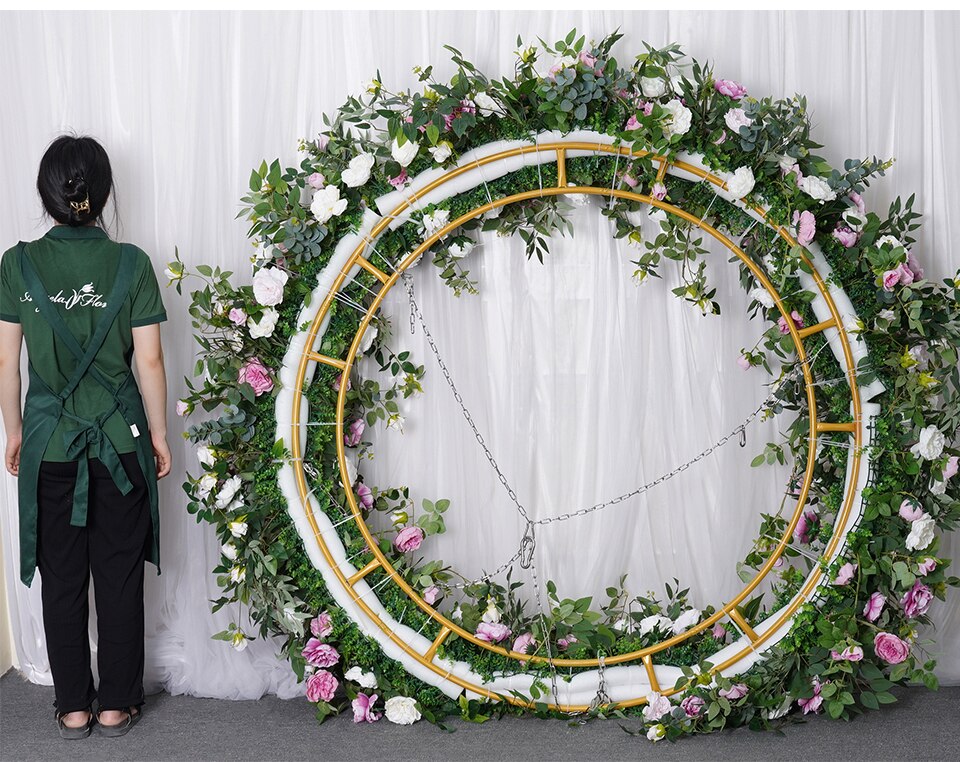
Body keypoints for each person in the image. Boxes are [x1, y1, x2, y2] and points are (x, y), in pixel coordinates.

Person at [0, 135, 171, 739]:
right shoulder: (132, 263)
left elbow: (6, 363)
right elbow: (148, 363)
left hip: (49, 445)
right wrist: (158, 433)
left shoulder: (16, 264)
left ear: (47, 195)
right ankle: (118, 704)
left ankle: (73, 705)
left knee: (63, 575)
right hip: (121, 445)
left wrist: (15, 432)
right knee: (119, 574)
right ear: (101, 194)